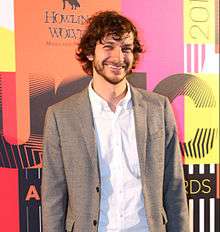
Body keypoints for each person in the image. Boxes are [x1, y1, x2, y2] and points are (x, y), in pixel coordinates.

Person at [41, 11, 189, 232]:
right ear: (91, 53)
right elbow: (53, 196)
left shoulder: (158, 108)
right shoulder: (60, 116)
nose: (119, 57)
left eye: (126, 48)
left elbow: (174, 187)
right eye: (109, 46)